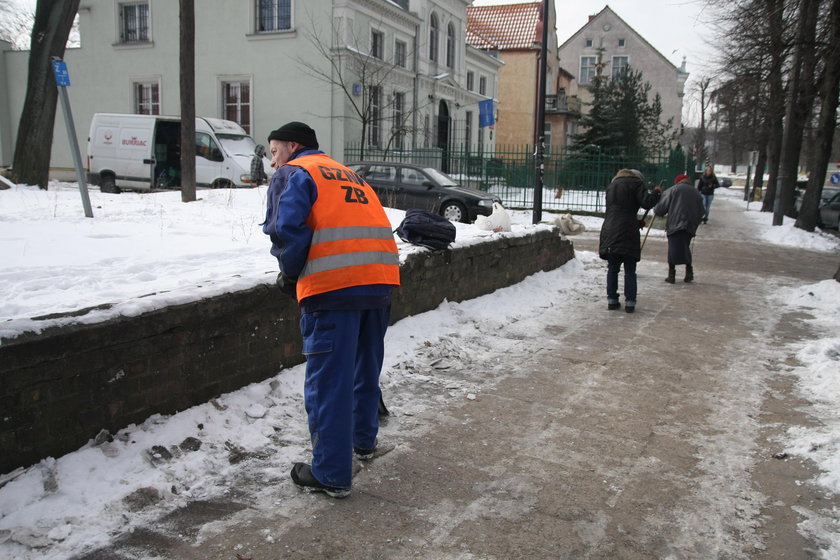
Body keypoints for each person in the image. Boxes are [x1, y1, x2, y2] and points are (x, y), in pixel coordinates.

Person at [261, 121, 401, 498]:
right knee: (364, 366)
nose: (273, 162)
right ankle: (363, 440)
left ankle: (331, 473)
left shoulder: (296, 172)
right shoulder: (347, 174)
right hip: (380, 280)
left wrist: (290, 274)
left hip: (334, 286)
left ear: (292, 147)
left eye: (274, 152)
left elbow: (285, 229)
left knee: (329, 381)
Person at [598, 169, 661, 313]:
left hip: (610, 230)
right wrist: (656, 192)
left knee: (613, 268)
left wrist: (634, 221)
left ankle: (612, 300)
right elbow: (647, 203)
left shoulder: (612, 185)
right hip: (628, 232)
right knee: (630, 270)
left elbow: (618, 210)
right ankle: (630, 302)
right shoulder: (636, 183)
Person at [654, 174, 705, 283]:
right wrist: (696, 220)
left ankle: (671, 275)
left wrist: (658, 208)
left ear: (677, 181)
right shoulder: (695, 192)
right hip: (690, 225)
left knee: (673, 249)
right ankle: (689, 272)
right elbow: (702, 211)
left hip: (675, 223)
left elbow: (660, 209)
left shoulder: (673, 190)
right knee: (685, 247)